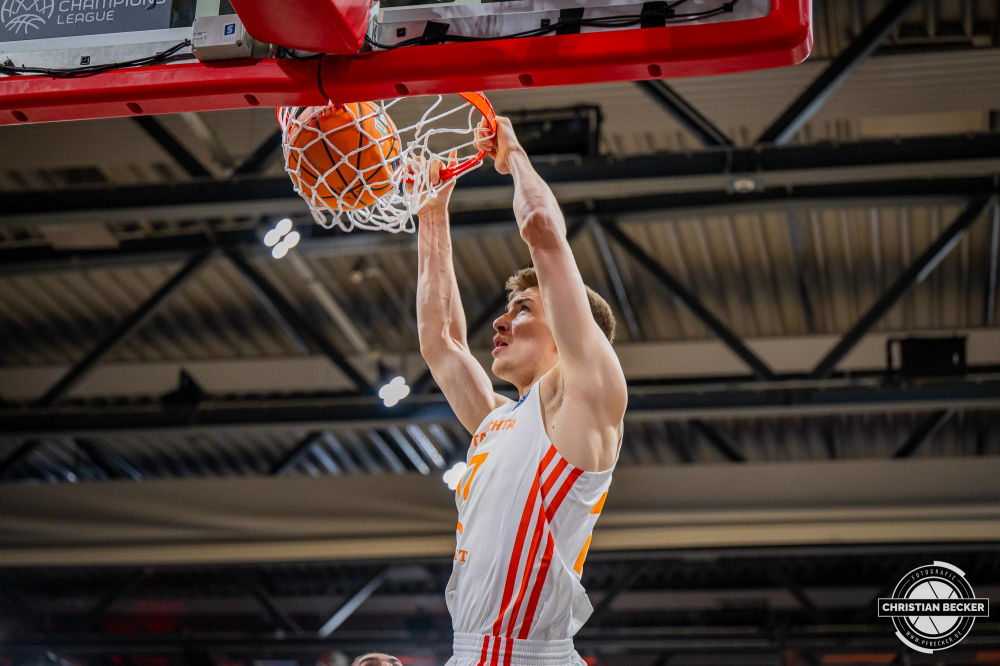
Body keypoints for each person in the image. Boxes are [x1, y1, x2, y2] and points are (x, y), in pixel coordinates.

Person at [415, 117, 628, 666]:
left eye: (522, 311)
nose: (500, 325)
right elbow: (441, 341)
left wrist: (513, 157)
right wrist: (432, 213)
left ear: (566, 328)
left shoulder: (587, 400)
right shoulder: (497, 421)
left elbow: (541, 228)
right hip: (466, 653)